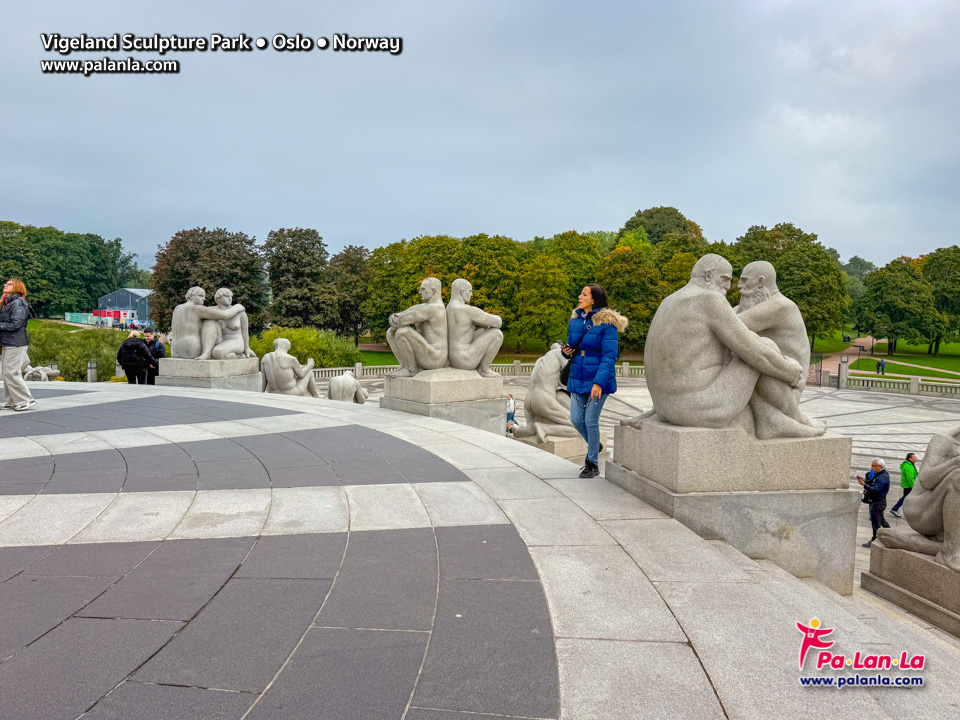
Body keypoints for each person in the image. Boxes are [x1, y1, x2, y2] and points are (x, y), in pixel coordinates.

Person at [562, 284, 627, 478]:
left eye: (584, 294)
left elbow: (609, 357)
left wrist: (598, 383)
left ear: (594, 300)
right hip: (577, 376)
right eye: (581, 293)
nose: (580, 297)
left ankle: (592, 463)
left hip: (598, 380)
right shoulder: (575, 321)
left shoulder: (607, 325)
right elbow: (573, 348)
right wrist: (567, 352)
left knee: (590, 420)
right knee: (576, 419)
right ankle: (594, 444)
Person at [0, 278, 37, 411]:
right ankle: (11, 401)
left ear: (17, 288)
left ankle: (26, 400)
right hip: (7, 343)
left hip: (15, 343)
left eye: (10, 284)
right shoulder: (7, 303)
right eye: (6, 283)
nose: (6, 285)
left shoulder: (18, 303)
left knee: (12, 372)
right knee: (7, 373)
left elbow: (16, 324)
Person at [858, 458, 891, 547]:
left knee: (876, 523)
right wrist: (865, 481)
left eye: (873, 466)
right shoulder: (880, 474)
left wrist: (864, 485)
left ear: (879, 466)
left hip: (877, 503)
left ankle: (874, 541)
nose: (872, 468)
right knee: (881, 520)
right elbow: (873, 482)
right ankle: (891, 533)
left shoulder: (882, 477)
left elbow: (876, 490)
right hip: (878, 502)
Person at [890, 452, 919, 518]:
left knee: (906, 498)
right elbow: (910, 478)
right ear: (910, 458)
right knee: (905, 498)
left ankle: (896, 509)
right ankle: (895, 509)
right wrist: (914, 486)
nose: (916, 458)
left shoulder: (910, 464)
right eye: (914, 457)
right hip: (908, 486)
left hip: (909, 485)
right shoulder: (908, 466)